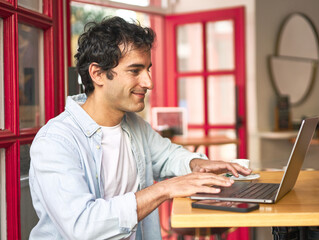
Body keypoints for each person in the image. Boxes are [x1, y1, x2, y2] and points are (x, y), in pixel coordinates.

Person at [29, 16, 251, 240]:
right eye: (135, 71)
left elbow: (167, 156)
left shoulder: (134, 125)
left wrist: (198, 164)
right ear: (97, 74)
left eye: (147, 69)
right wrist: (164, 189)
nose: (149, 82)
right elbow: (83, 227)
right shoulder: (55, 142)